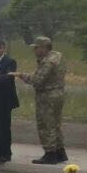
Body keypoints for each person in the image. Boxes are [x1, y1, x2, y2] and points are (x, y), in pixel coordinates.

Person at [17, 36, 68, 164]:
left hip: (47, 96)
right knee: (56, 124)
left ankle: (50, 153)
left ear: (44, 48)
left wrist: (22, 75)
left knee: (46, 124)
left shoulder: (48, 62)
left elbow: (37, 80)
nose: (34, 50)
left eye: (37, 48)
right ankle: (60, 152)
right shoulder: (58, 56)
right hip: (58, 94)